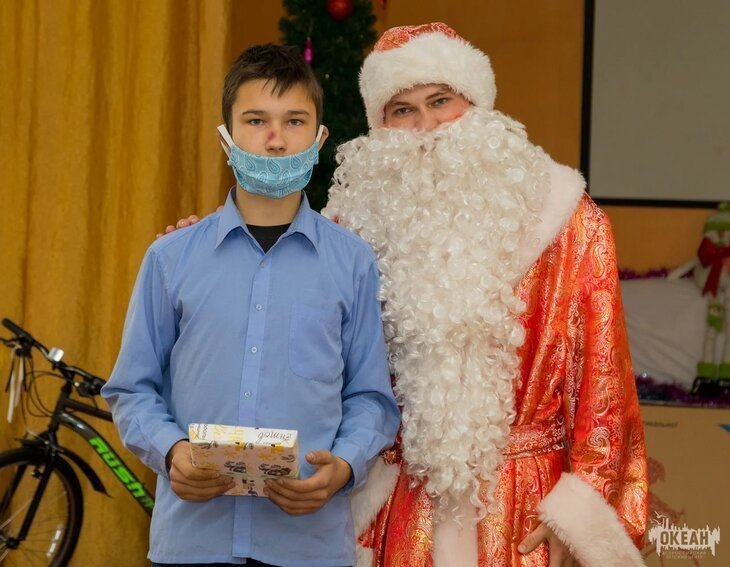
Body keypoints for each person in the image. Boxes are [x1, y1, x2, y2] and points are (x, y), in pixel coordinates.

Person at [168, 24, 648, 567]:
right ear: (380, 126)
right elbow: (281, 326)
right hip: (396, 511)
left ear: (477, 104)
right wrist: (202, 249)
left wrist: (580, 510)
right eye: (402, 110)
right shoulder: (350, 229)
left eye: (441, 101)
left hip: (525, 505)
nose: (426, 126)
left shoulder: (565, 219)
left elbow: (605, 381)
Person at [102, 44, 400, 567]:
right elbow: (132, 388)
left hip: (309, 547)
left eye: (294, 121)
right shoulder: (170, 258)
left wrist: (344, 467)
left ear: (319, 137)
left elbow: (371, 398)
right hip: (192, 545)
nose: (276, 139)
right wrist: (172, 452)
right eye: (256, 120)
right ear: (227, 136)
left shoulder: (352, 262)